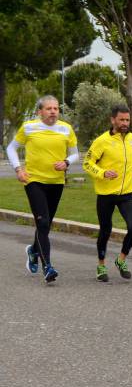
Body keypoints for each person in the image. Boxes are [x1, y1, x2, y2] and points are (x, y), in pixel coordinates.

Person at [6, 95, 78, 283]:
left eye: (56, 108)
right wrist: (18, 169)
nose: (53, 111)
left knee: (45, 225)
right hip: (34, 180)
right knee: (43, 223)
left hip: (56, 182)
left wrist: (66, 162)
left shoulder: (66, 129)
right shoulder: (29, 127)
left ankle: (33, 250)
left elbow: (75, 154)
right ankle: (48, 267)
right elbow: (11, 148)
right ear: (40, 112)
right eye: (49, 108)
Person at [83, 104, 132, 282]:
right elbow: (87, 163)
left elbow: (129, 161)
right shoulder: (102, 141)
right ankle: (101, 265)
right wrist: (102, 173)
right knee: (105, 230)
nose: (125, 123)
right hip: (106, 194)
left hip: (126, 193)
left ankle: (121, 260)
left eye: (127, 120)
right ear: (113, 120)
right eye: (121, 119)